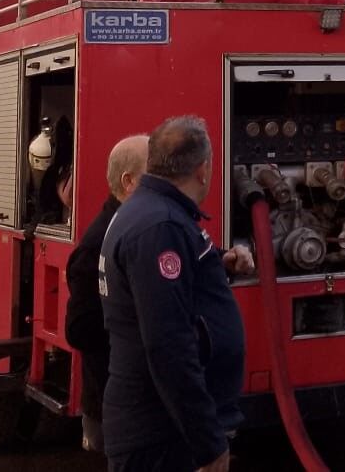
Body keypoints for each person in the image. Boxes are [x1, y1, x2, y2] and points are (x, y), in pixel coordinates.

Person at [100, 116, 253, 472]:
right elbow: (168, 344)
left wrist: (218, 263)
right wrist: (208, 442)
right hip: (162, 436)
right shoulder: (160, 227)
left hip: (158, 429)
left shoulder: (152, 216)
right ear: (203, 170)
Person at [67, 135, 149, 454]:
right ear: (128, 182)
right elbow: (79, 330)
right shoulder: (98, 242)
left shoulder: (140, 227)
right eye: (153, 174)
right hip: (115, 407)